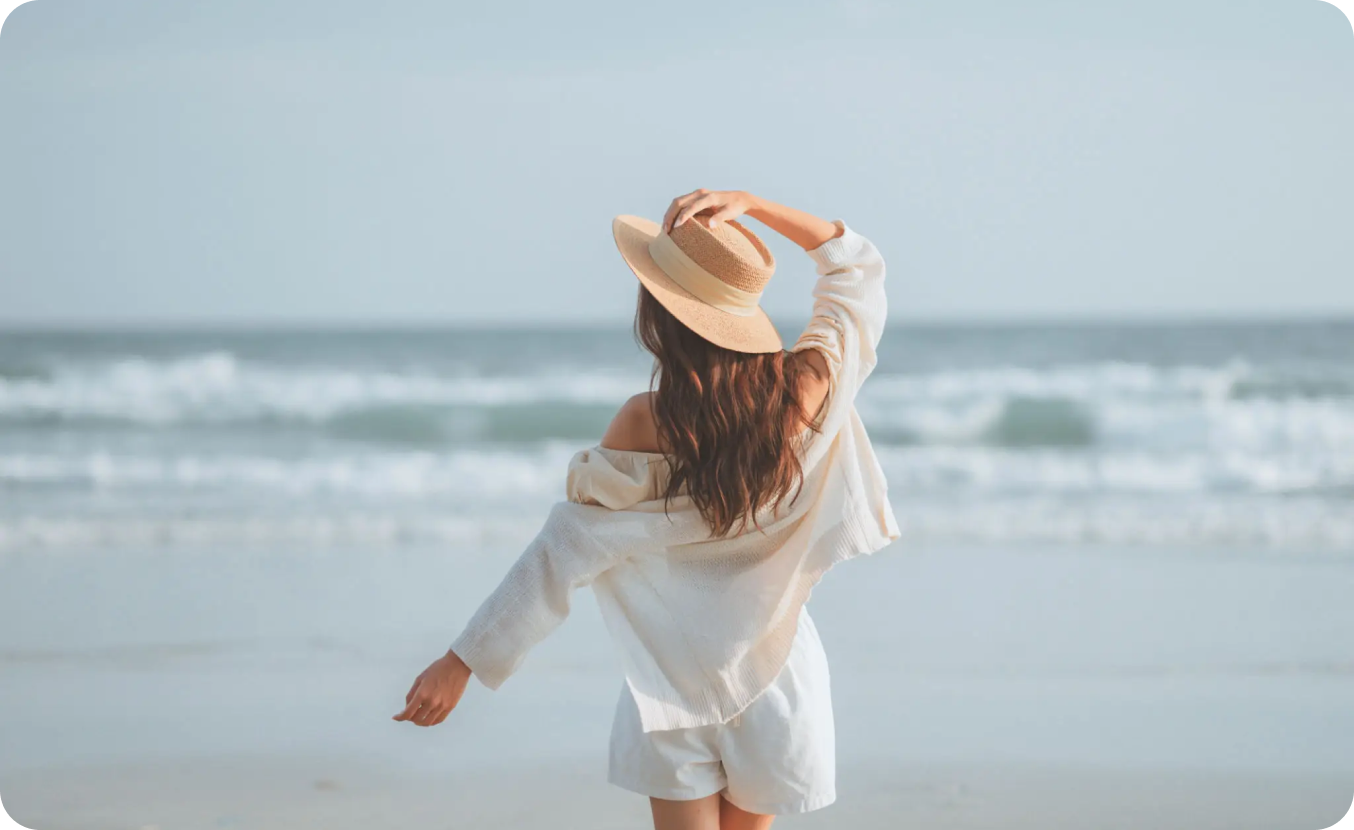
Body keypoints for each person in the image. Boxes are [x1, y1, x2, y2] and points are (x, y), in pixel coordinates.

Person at [393, 189, 900, 830]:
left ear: (661, 313)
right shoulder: (808, 389)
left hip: (670, 678)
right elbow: (854, 270)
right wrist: (753, 205)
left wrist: (463, 661)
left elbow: (564, 551)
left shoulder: (644, 421)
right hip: (778, 669)